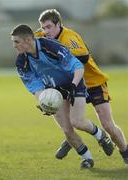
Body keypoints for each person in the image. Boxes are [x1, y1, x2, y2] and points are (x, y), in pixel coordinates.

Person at [11, 24, 114, 169]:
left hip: (74, 83)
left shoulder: (51, 47)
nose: (14, 46)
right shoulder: (21, 62)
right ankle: (87, 159)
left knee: (77, 121)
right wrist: (44, 100)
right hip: (53, 91)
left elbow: (77, 66)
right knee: (67, 130)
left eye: (16, 42)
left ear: (28, 40)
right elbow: (35, 85)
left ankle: (100, 135)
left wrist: (73, 85)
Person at [35, 9, 128, 165]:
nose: (46, 31)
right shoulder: (43, 35)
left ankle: (125, 152)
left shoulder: (69, 37)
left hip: (93, 83)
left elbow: (83, 57)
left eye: (49, 27)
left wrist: (58, 53)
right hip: (72, 84)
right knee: (70, 121)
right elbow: (29, 39)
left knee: (108, 125)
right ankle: (74, 144)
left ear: (59, 24)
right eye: (43, 27)